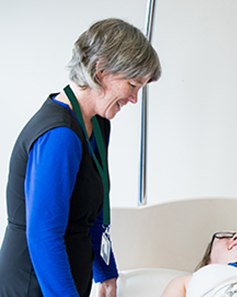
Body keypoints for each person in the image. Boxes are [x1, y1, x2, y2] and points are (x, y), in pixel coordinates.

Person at [0, 18, 161, 297]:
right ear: (101, 72)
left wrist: (106, 269)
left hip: (70, 279)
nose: (135, 99)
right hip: (33, 284)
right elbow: (43, 236)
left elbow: (93, 211)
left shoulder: (98, 124)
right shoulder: (59, 134)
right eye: (133, 85)